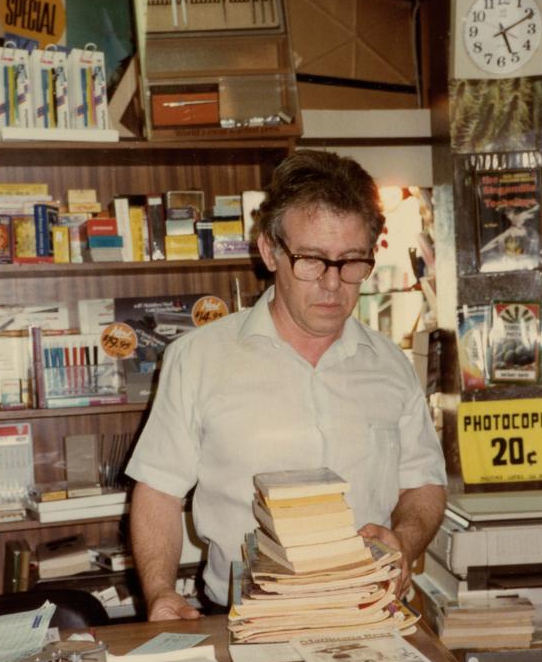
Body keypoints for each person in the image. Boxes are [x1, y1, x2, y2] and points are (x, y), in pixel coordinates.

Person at [126, 149, 447, 621]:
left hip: (366, 613)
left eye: (352, 261)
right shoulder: (198, 359)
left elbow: (423, 482)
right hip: (242, 618)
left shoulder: (390, 366)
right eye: (312, 261)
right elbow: (158, 491)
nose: (333, 284)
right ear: (269, 251)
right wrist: (159, 592)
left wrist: (406, 538)